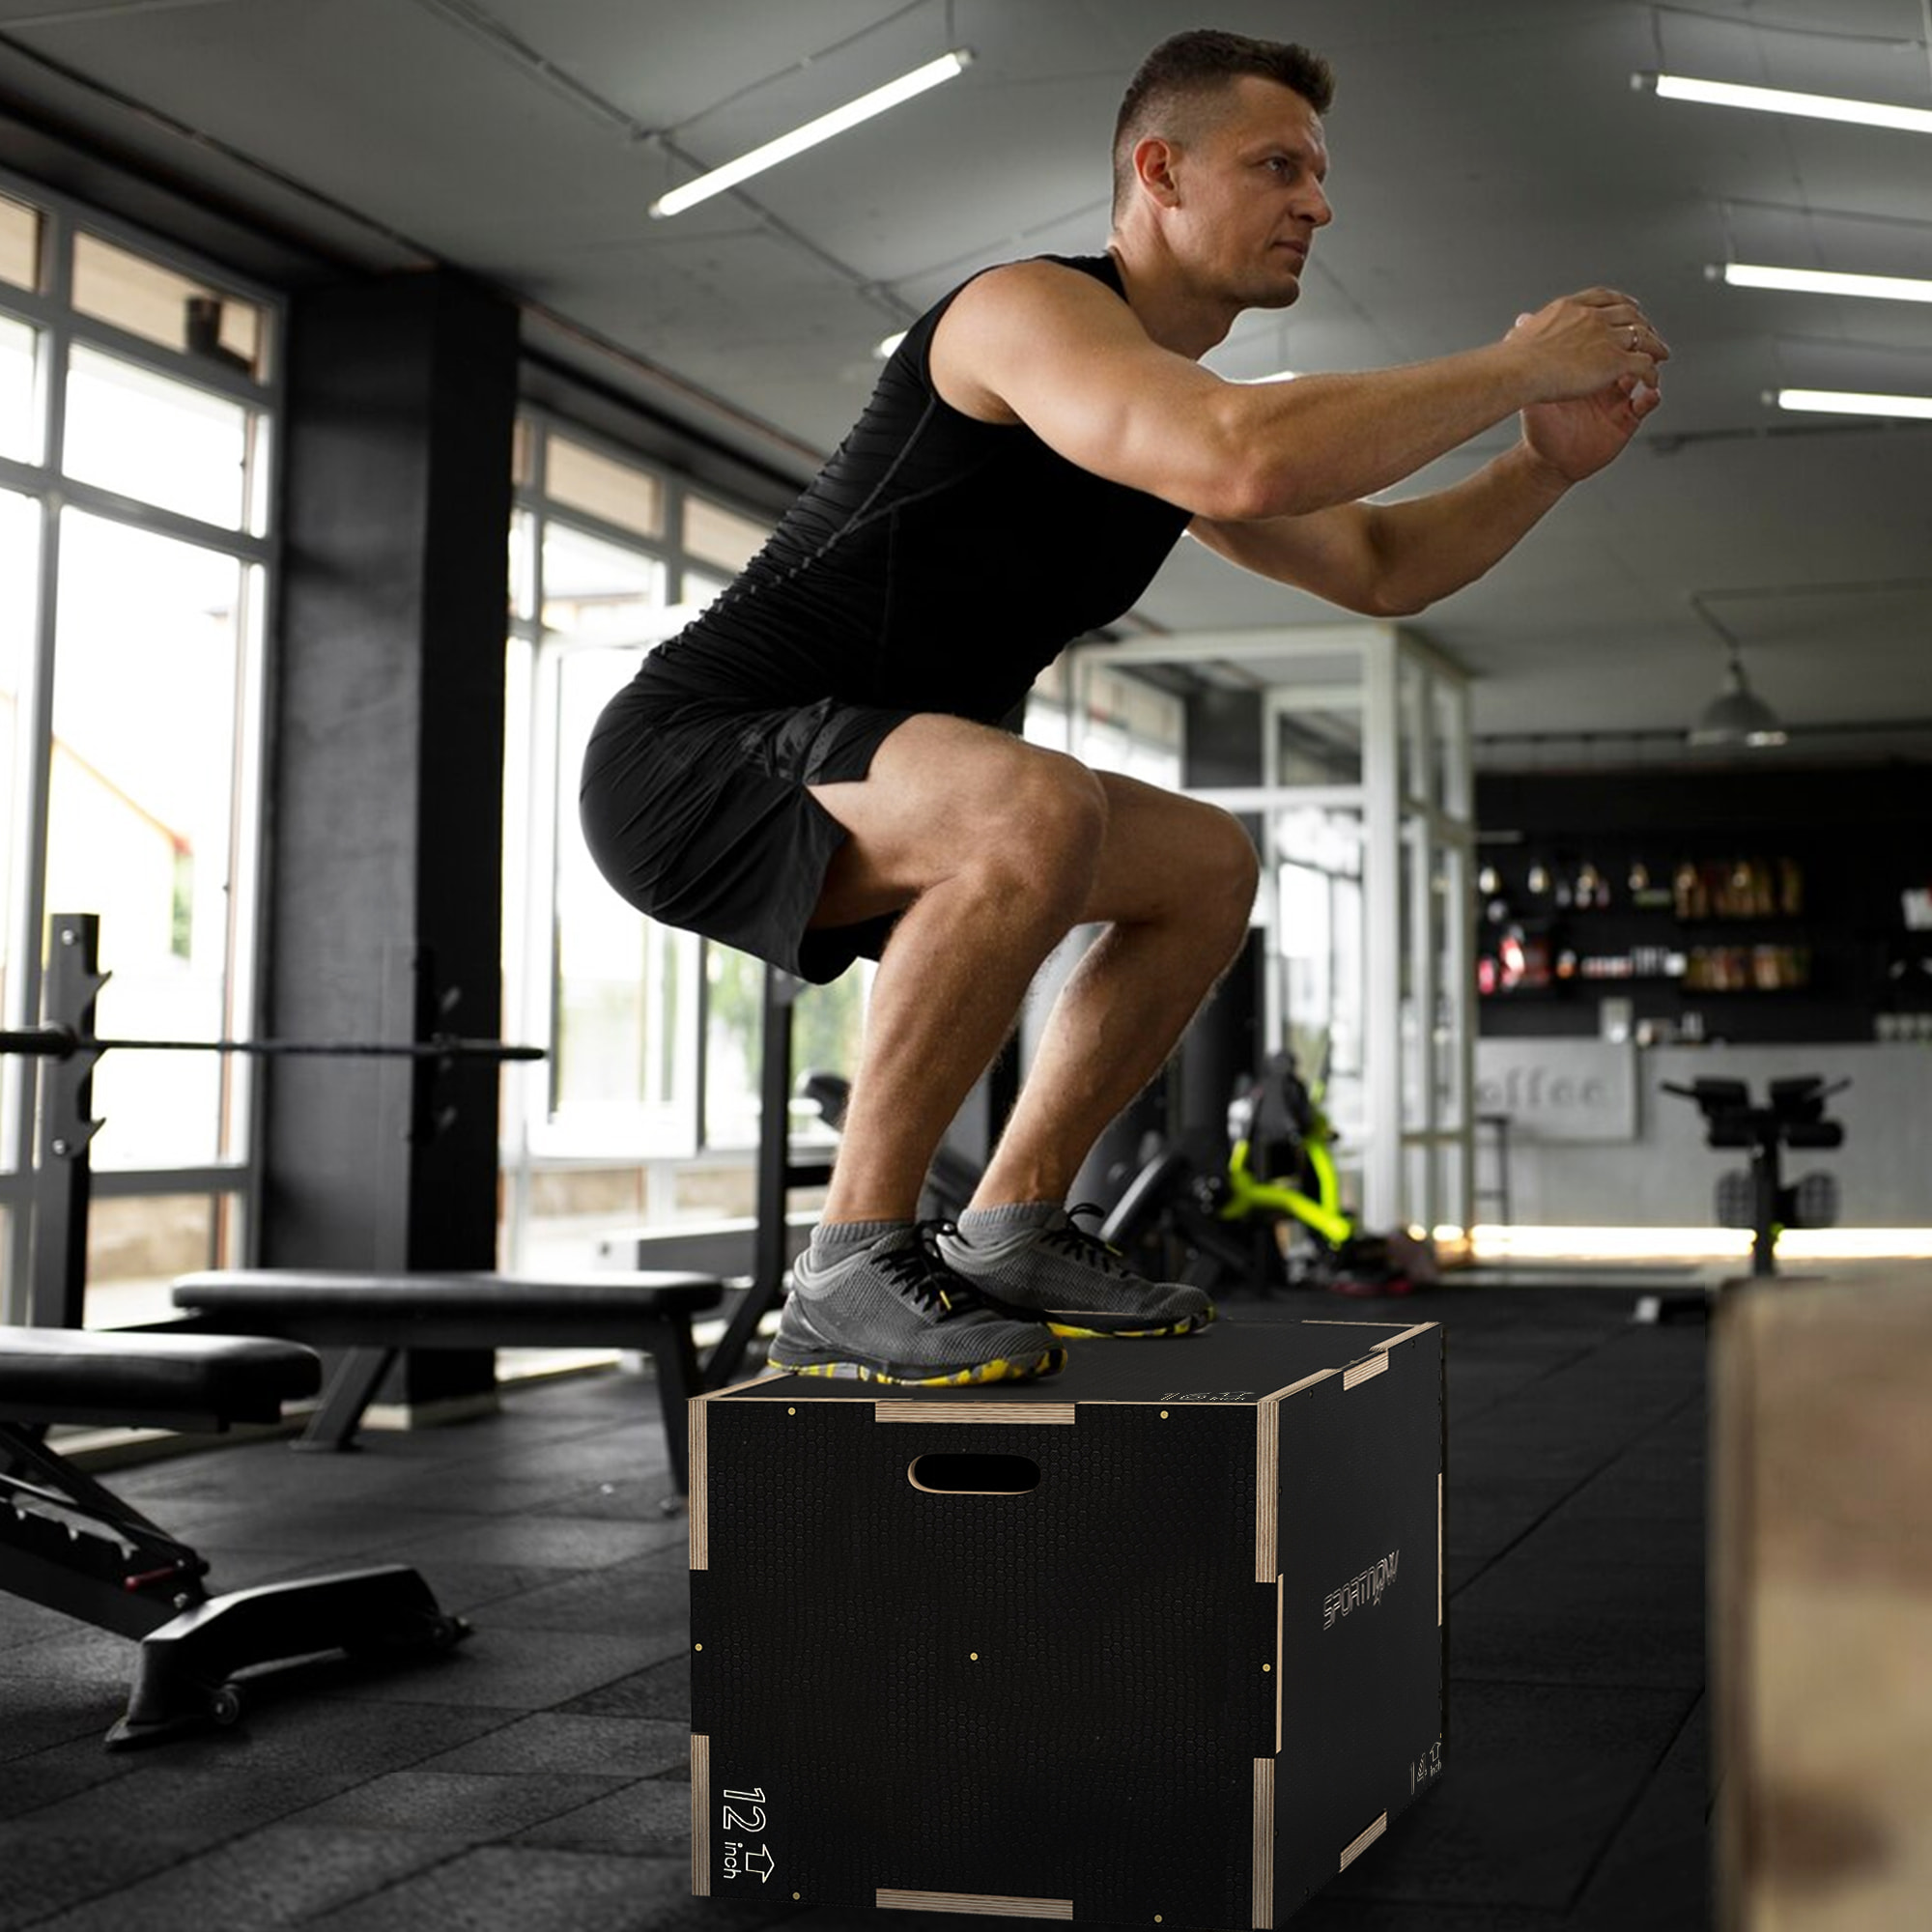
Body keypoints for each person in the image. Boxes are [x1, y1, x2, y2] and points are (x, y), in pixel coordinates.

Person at [580, 29, 1667, 1387]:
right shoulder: (1023, 313)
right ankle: (849, 1263)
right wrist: (1517, 366)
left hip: (871, 772)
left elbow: (1383, 566)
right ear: (1159, 170)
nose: (1318, 205)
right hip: (693, 757)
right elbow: (1244, 456)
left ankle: (1009, 1224)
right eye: (1281, 167)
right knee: (1038, 805)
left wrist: (1540, 466)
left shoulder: (1164, 423)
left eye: (1320, 177)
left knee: (1206, 864)